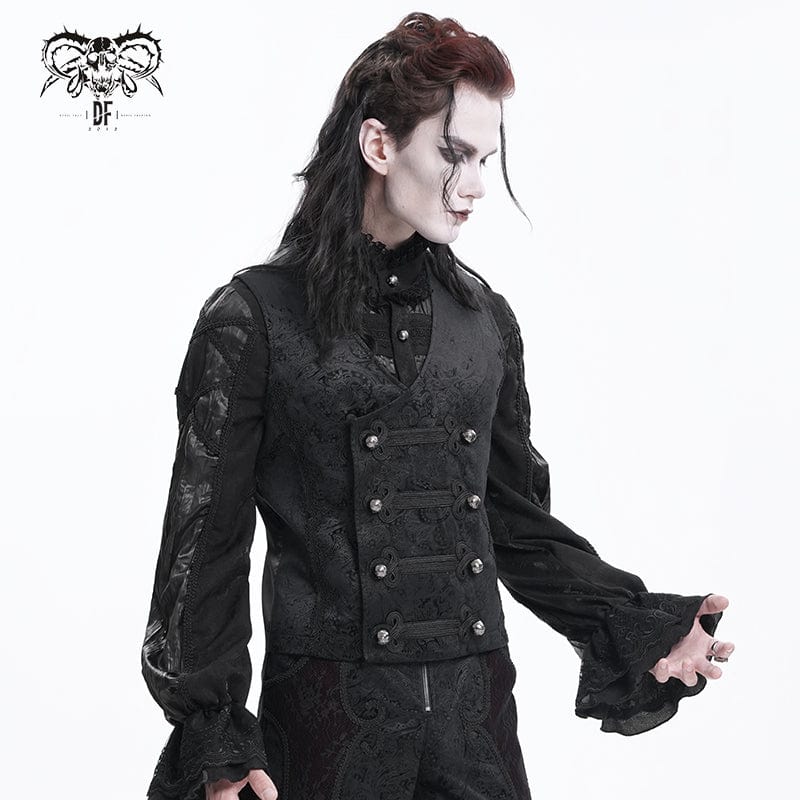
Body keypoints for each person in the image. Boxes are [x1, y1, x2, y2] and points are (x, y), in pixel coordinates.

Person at [141, 12, 734, 800]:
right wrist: (214, 735)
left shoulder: (485, 324)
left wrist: (632, 622)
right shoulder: (254, 319)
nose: (476, 184)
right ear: (379, 145)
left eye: (485, 158)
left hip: (476, 726)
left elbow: (513, 524)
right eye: (454, 154)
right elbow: (205, 545)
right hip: (323, 732)